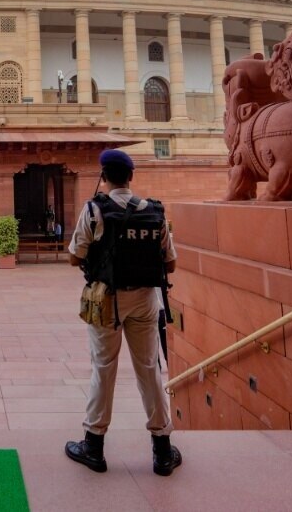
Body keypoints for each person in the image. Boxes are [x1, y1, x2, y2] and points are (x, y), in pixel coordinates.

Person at [65, 149, 181, 476]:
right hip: (146, 299)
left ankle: (94, 446)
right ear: (131, 177)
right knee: (149, 369)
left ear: (104, 177)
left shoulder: (94, 210)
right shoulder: (154, 210)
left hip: (107, 300)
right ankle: (161, 450)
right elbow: (170, 262)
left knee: (103, 368)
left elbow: (75, 256)